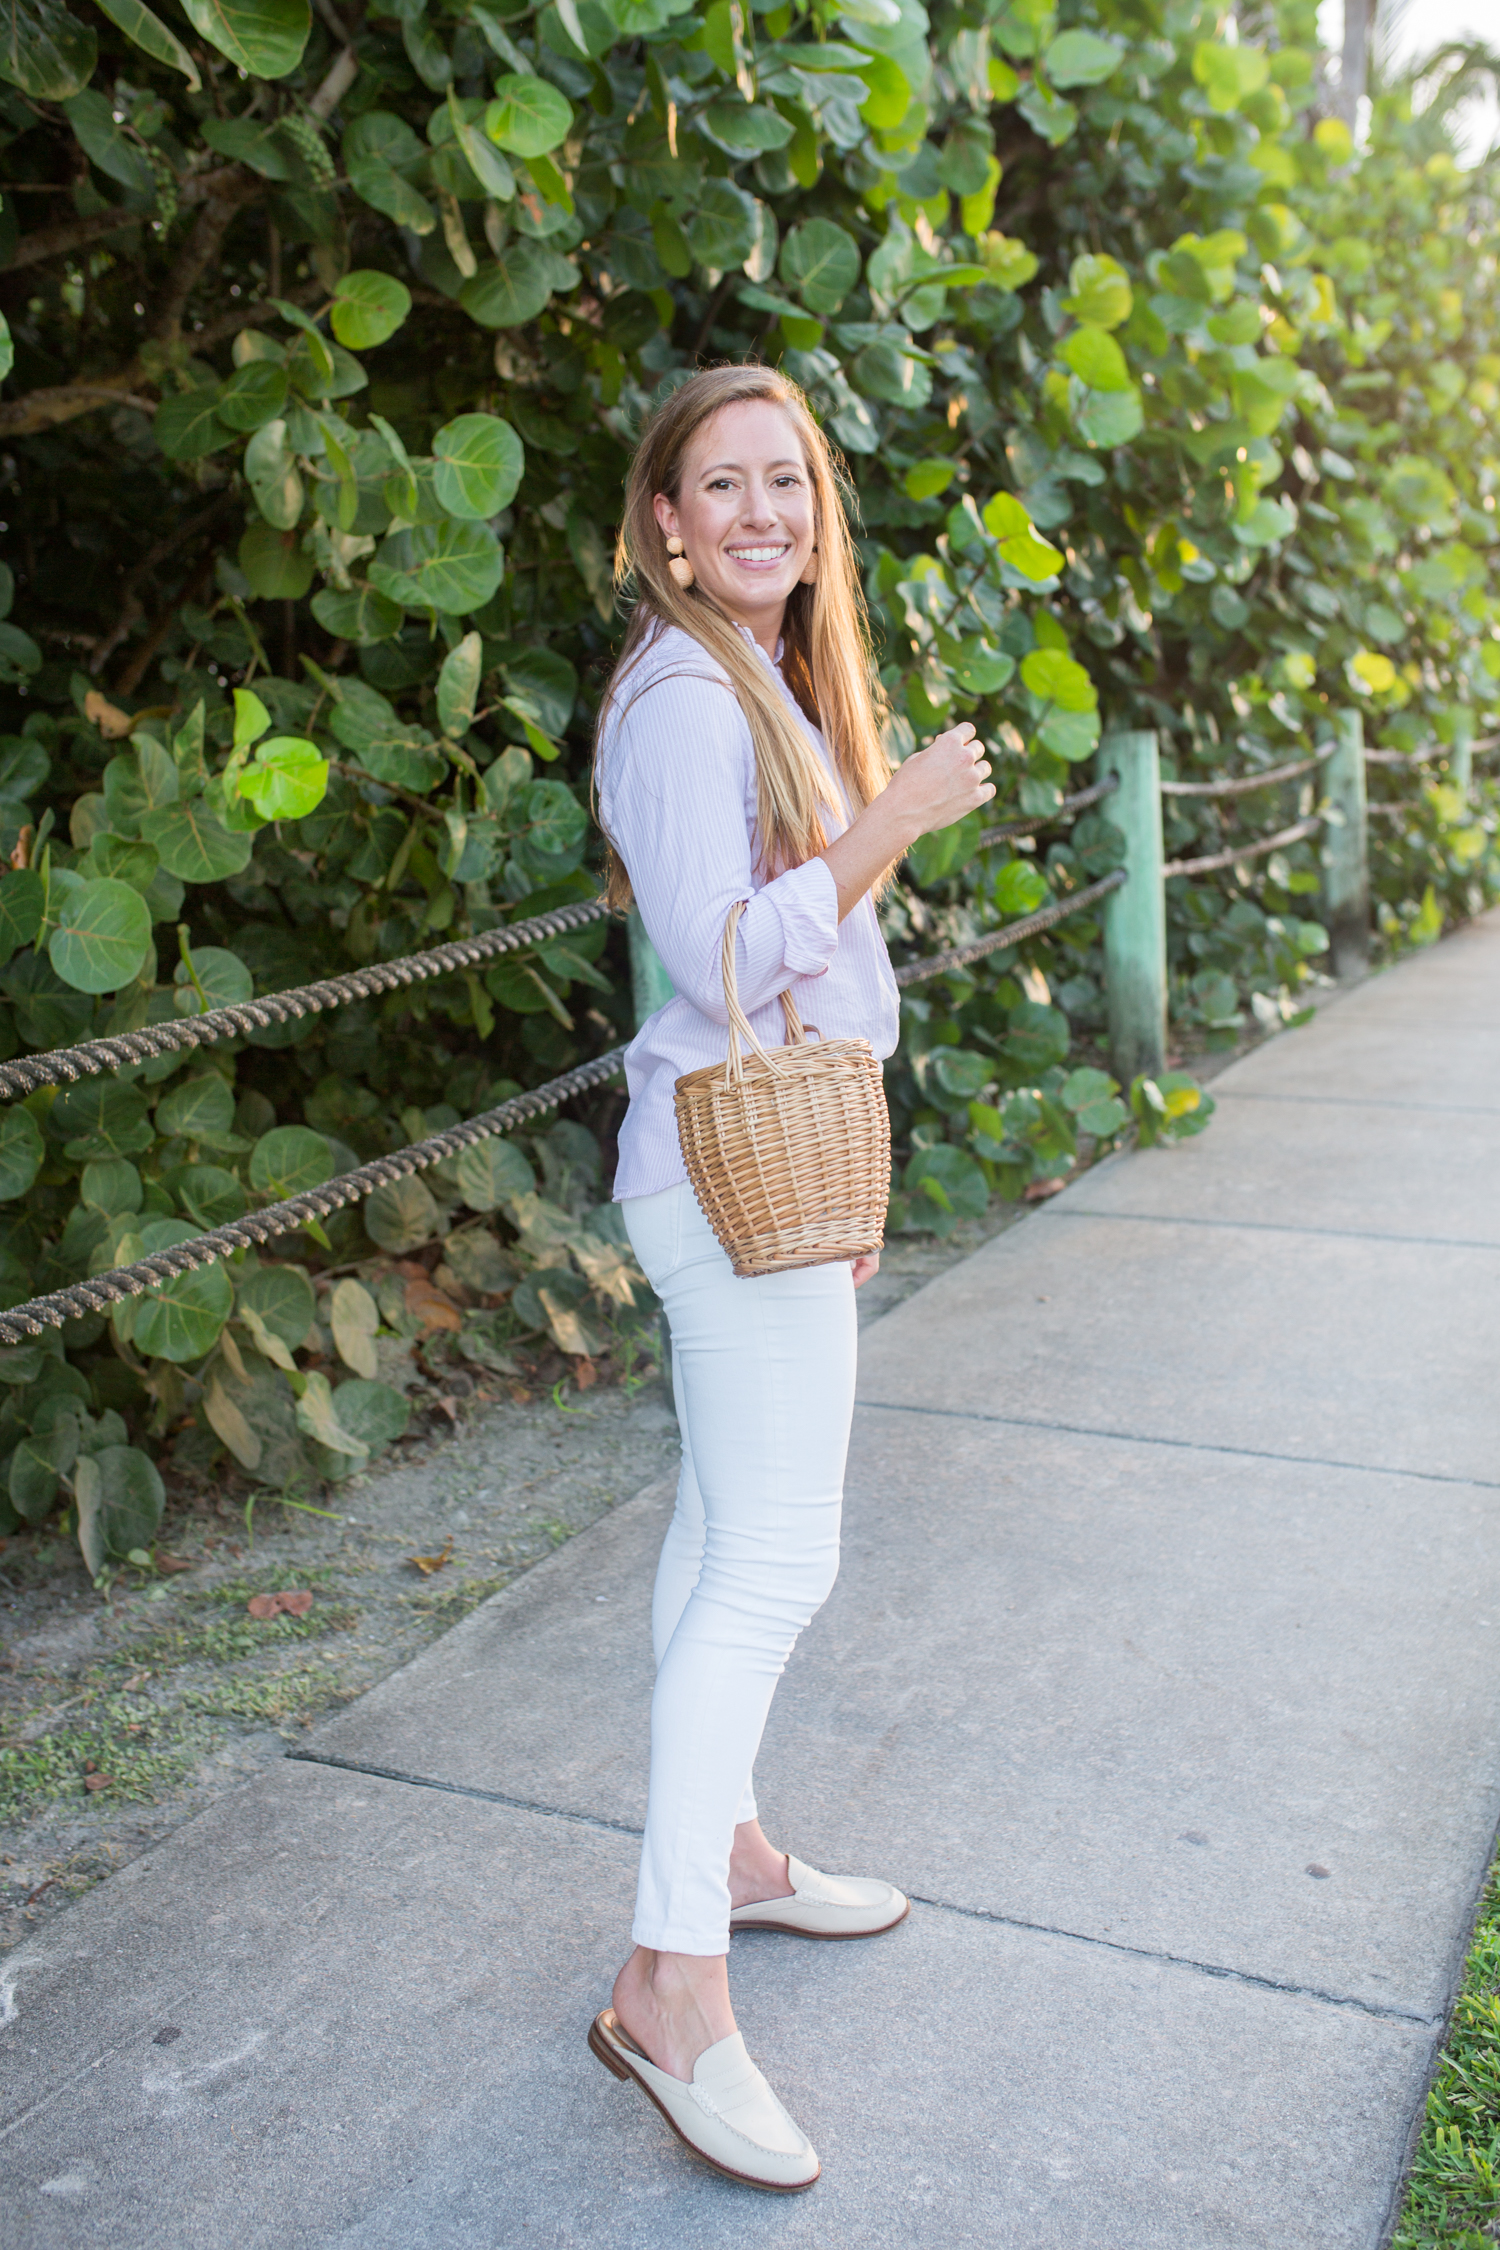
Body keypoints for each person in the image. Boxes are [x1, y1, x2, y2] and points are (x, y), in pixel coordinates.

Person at [587, 363, 994, 2192]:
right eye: (720, 487)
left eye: (786, 483)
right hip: (724, 1176)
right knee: (778, 1559)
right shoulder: (680, 697)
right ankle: (670, 1985)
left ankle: (731, 1858)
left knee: (715, 1533)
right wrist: (888, 817)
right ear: (663, 522)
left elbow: (813, 970)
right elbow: (720, 953)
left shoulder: (761, 680)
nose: (760, 513)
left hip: (779, 1175)